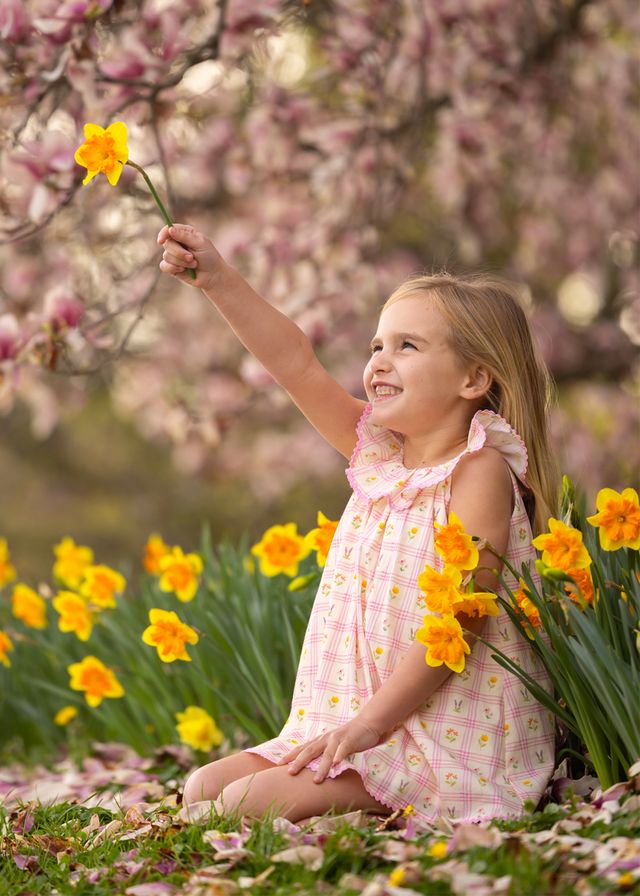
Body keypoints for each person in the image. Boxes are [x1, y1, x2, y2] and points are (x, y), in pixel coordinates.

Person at [158, 223, 559, 829]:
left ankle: (386, 793)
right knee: (201, 787)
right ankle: (343, 781)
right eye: (377, 346)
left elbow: (464, 616)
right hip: (348, 722)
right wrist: (219, 281)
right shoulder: (375, 454)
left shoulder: (479, 468)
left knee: (240, 807)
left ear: (474, 380)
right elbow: (296, 363)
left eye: (407, 347)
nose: (379, 362)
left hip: (443, 738)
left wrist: (371, 725)